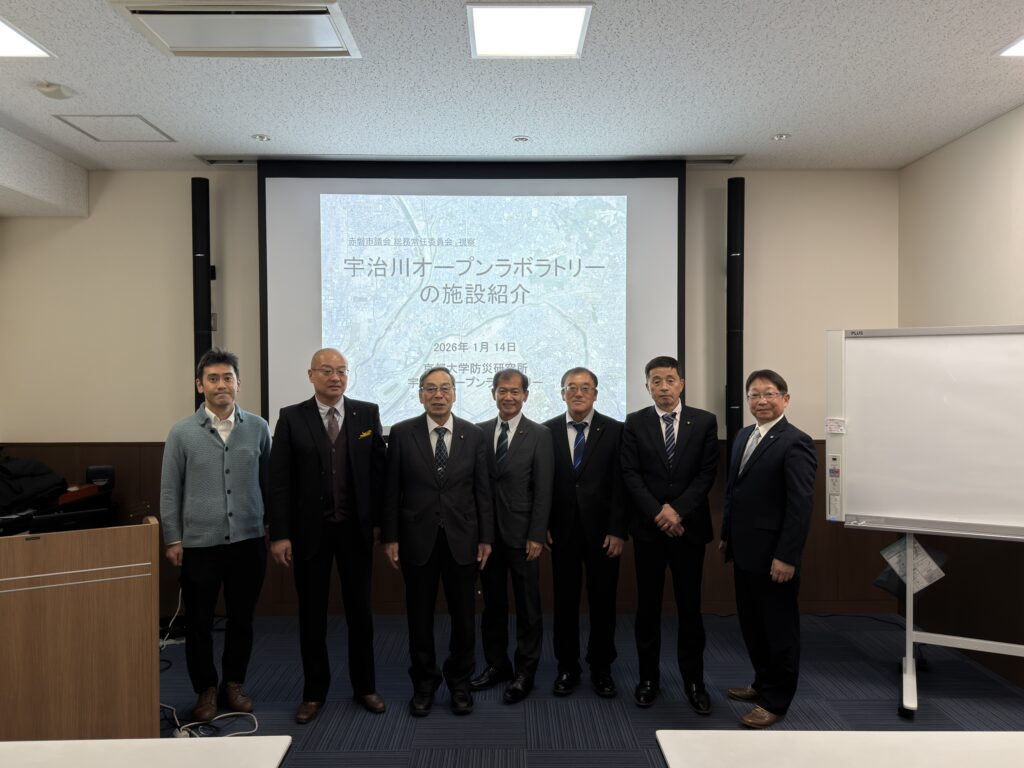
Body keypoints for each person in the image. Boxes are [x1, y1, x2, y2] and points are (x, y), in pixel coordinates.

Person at [267, 348, 387, 723]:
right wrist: (280, 534)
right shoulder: (291, 417)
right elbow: (279, 480)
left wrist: (380, 524)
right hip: (309, 534)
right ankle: (314, 693)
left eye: (342, 371)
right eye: (327, 370)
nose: (335, 377)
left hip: (355, 531)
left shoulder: (366, 413)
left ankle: (365, 686)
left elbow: (379, 474)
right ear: (311, 375)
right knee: (312, 616)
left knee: (360, 614)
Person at [159, 348, 271, 721]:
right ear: (199, 385)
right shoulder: (182, 433)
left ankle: (234, 684)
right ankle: (205, 689)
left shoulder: (258, 428)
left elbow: (268, 482)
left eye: (227, 378)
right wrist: (173, 538)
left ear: (239, 383)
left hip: (248, 542)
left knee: (242, 619)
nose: (221, 384)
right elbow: (170, 490)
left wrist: (272, 528)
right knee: (199, 623)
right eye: (212, 379)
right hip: (199, 546)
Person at [381, 367, 494, 717]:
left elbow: (483, 491)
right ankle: (424, 684)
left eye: (445, 388)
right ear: (420, 395)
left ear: (455, 394)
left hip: (463, 539)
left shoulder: (474, 435)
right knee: (419, 618)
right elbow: (391, 490)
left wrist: (486, 538)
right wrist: (390, 537)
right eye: (430, 389)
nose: (438, 395)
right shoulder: (402, 433)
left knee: (464, 618)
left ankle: (460, 682)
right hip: (417, 539)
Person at [620, 355, 718, 714]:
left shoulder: (704, 421)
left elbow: (707, 474)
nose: (664, 387)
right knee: (648, 608)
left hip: (688, 530)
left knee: (690, 608)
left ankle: (694, 682)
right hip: (650, 531)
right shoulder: (634, 422)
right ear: (647, 386)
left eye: (670, 380)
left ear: (682, 384)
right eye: (656, 381)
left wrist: (677, 511)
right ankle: (648, 679)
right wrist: (659, 512)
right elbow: (630, 473)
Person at [720, 369, 816, 728]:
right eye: (754, 395)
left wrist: (787, 556)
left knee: (778, 630)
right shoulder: (744, 435)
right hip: (745, 551)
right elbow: (734, 491)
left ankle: (776, 701)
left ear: (785, 399)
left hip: (775, 556)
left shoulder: (796, 442)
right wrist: (727, 535)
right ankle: (762, 684)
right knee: (753, 625)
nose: (761, 401)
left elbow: (800, 505)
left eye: (769, 394)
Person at [543, 367, 627, 698]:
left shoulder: (616, 430)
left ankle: (601, 667)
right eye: (571, 387)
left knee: (603, 602)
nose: (578, 393)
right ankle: (567, 666)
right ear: (561, 393)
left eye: (585, 388)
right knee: (564, 602)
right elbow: (541, 483)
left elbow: (622, 484)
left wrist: (618, 529)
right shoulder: (546, 430)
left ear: (595, 393)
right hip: (561, 532)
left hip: (604, 534)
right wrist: (543, 524)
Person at [470, 370, 553, 703]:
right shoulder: (477, 432)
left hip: (523, 536)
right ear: (493, 393)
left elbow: (543, 489)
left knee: (528, 607)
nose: (508, 397)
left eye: (515, 392)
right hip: (488, 537)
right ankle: (496, 665)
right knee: (492, 606)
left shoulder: (540, 434)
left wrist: (537, 534)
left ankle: (524, 672)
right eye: (502, 391)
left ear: (525, 396)